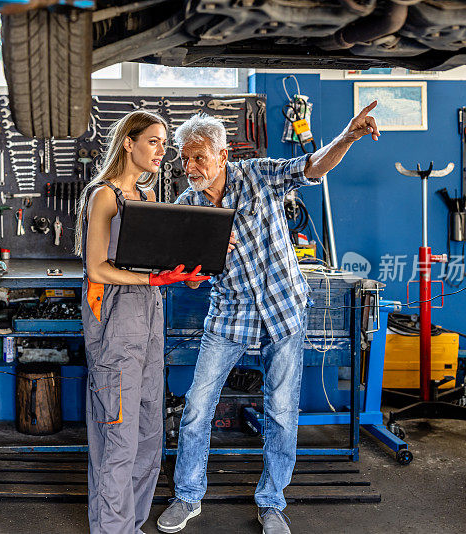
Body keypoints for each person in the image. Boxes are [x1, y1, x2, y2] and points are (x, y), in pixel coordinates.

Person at [156, 102, 380, 534]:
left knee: (281, 411)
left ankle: (272, 501)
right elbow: (189, 282)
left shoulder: (259, 175)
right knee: (197, 409)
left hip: (283, 310)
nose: (190, 166)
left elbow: (313, 166)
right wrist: (204, 263)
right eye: (184, 157)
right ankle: (187, 495)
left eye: (198, 156)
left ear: (223, 156)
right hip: (229, 316)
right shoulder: (188, 205)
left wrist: (348, 136)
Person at [74, 110, 210, 534]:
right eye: (153, 140)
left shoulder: (149, 200)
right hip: (115, 315)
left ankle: (130, 523)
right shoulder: (104, 196)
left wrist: (180, 274)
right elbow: (96, 268)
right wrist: (153, 277)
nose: (162, 150)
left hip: (150, 314)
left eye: (164, 142)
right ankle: (112, 530)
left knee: (150, 435)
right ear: (128, 143)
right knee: (119, 436)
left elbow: (158, 262)